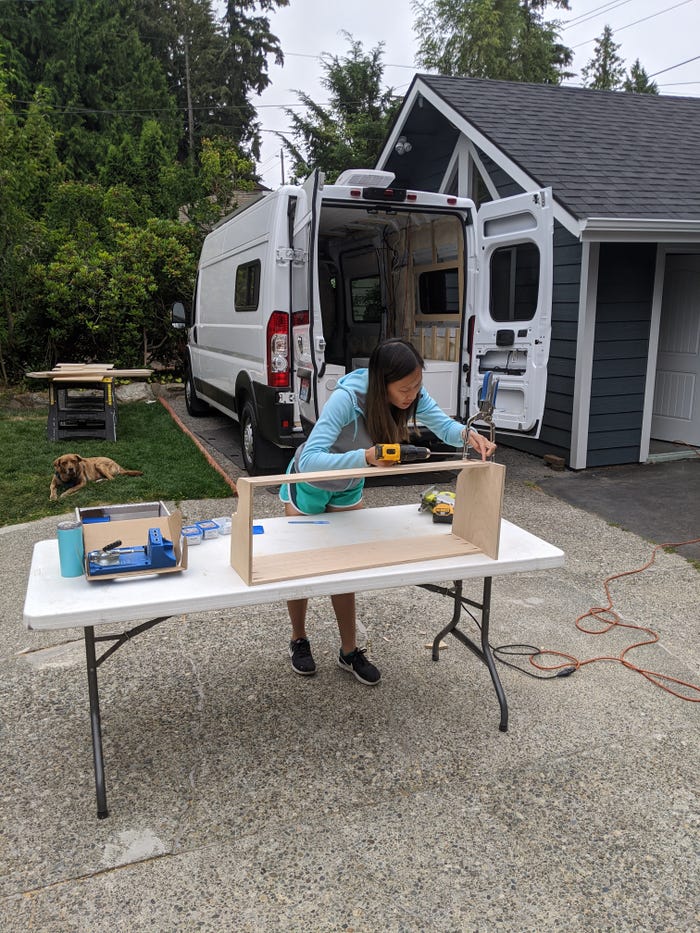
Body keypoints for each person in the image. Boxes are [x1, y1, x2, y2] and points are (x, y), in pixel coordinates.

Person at [280, 338, 496, 686]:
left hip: (350, 483)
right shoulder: (346, 399)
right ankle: (298, 638)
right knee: (300, 566)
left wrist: (469, 435)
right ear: (382, 384)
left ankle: (348, 651)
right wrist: (364, 458)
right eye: (405, 388)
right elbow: (308, 460)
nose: (412, 395)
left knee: (345, 568)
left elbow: (444, 426)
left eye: (417, 386)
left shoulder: (412, 394)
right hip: (311, 483)